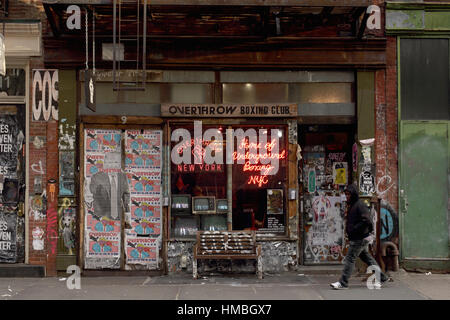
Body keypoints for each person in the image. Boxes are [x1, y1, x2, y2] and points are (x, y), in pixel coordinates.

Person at [330, 183, 390, 290]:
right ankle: (382, 277)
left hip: (359, 238)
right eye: (346, 194)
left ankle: (343, 283)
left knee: (350, 259)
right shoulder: (353, 205)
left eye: (349, 194)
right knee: (367, 258)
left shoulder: (359, 205)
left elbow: (367, 220)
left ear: (353, 194)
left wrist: (354, 229)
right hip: (359, 237)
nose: (347, 196)